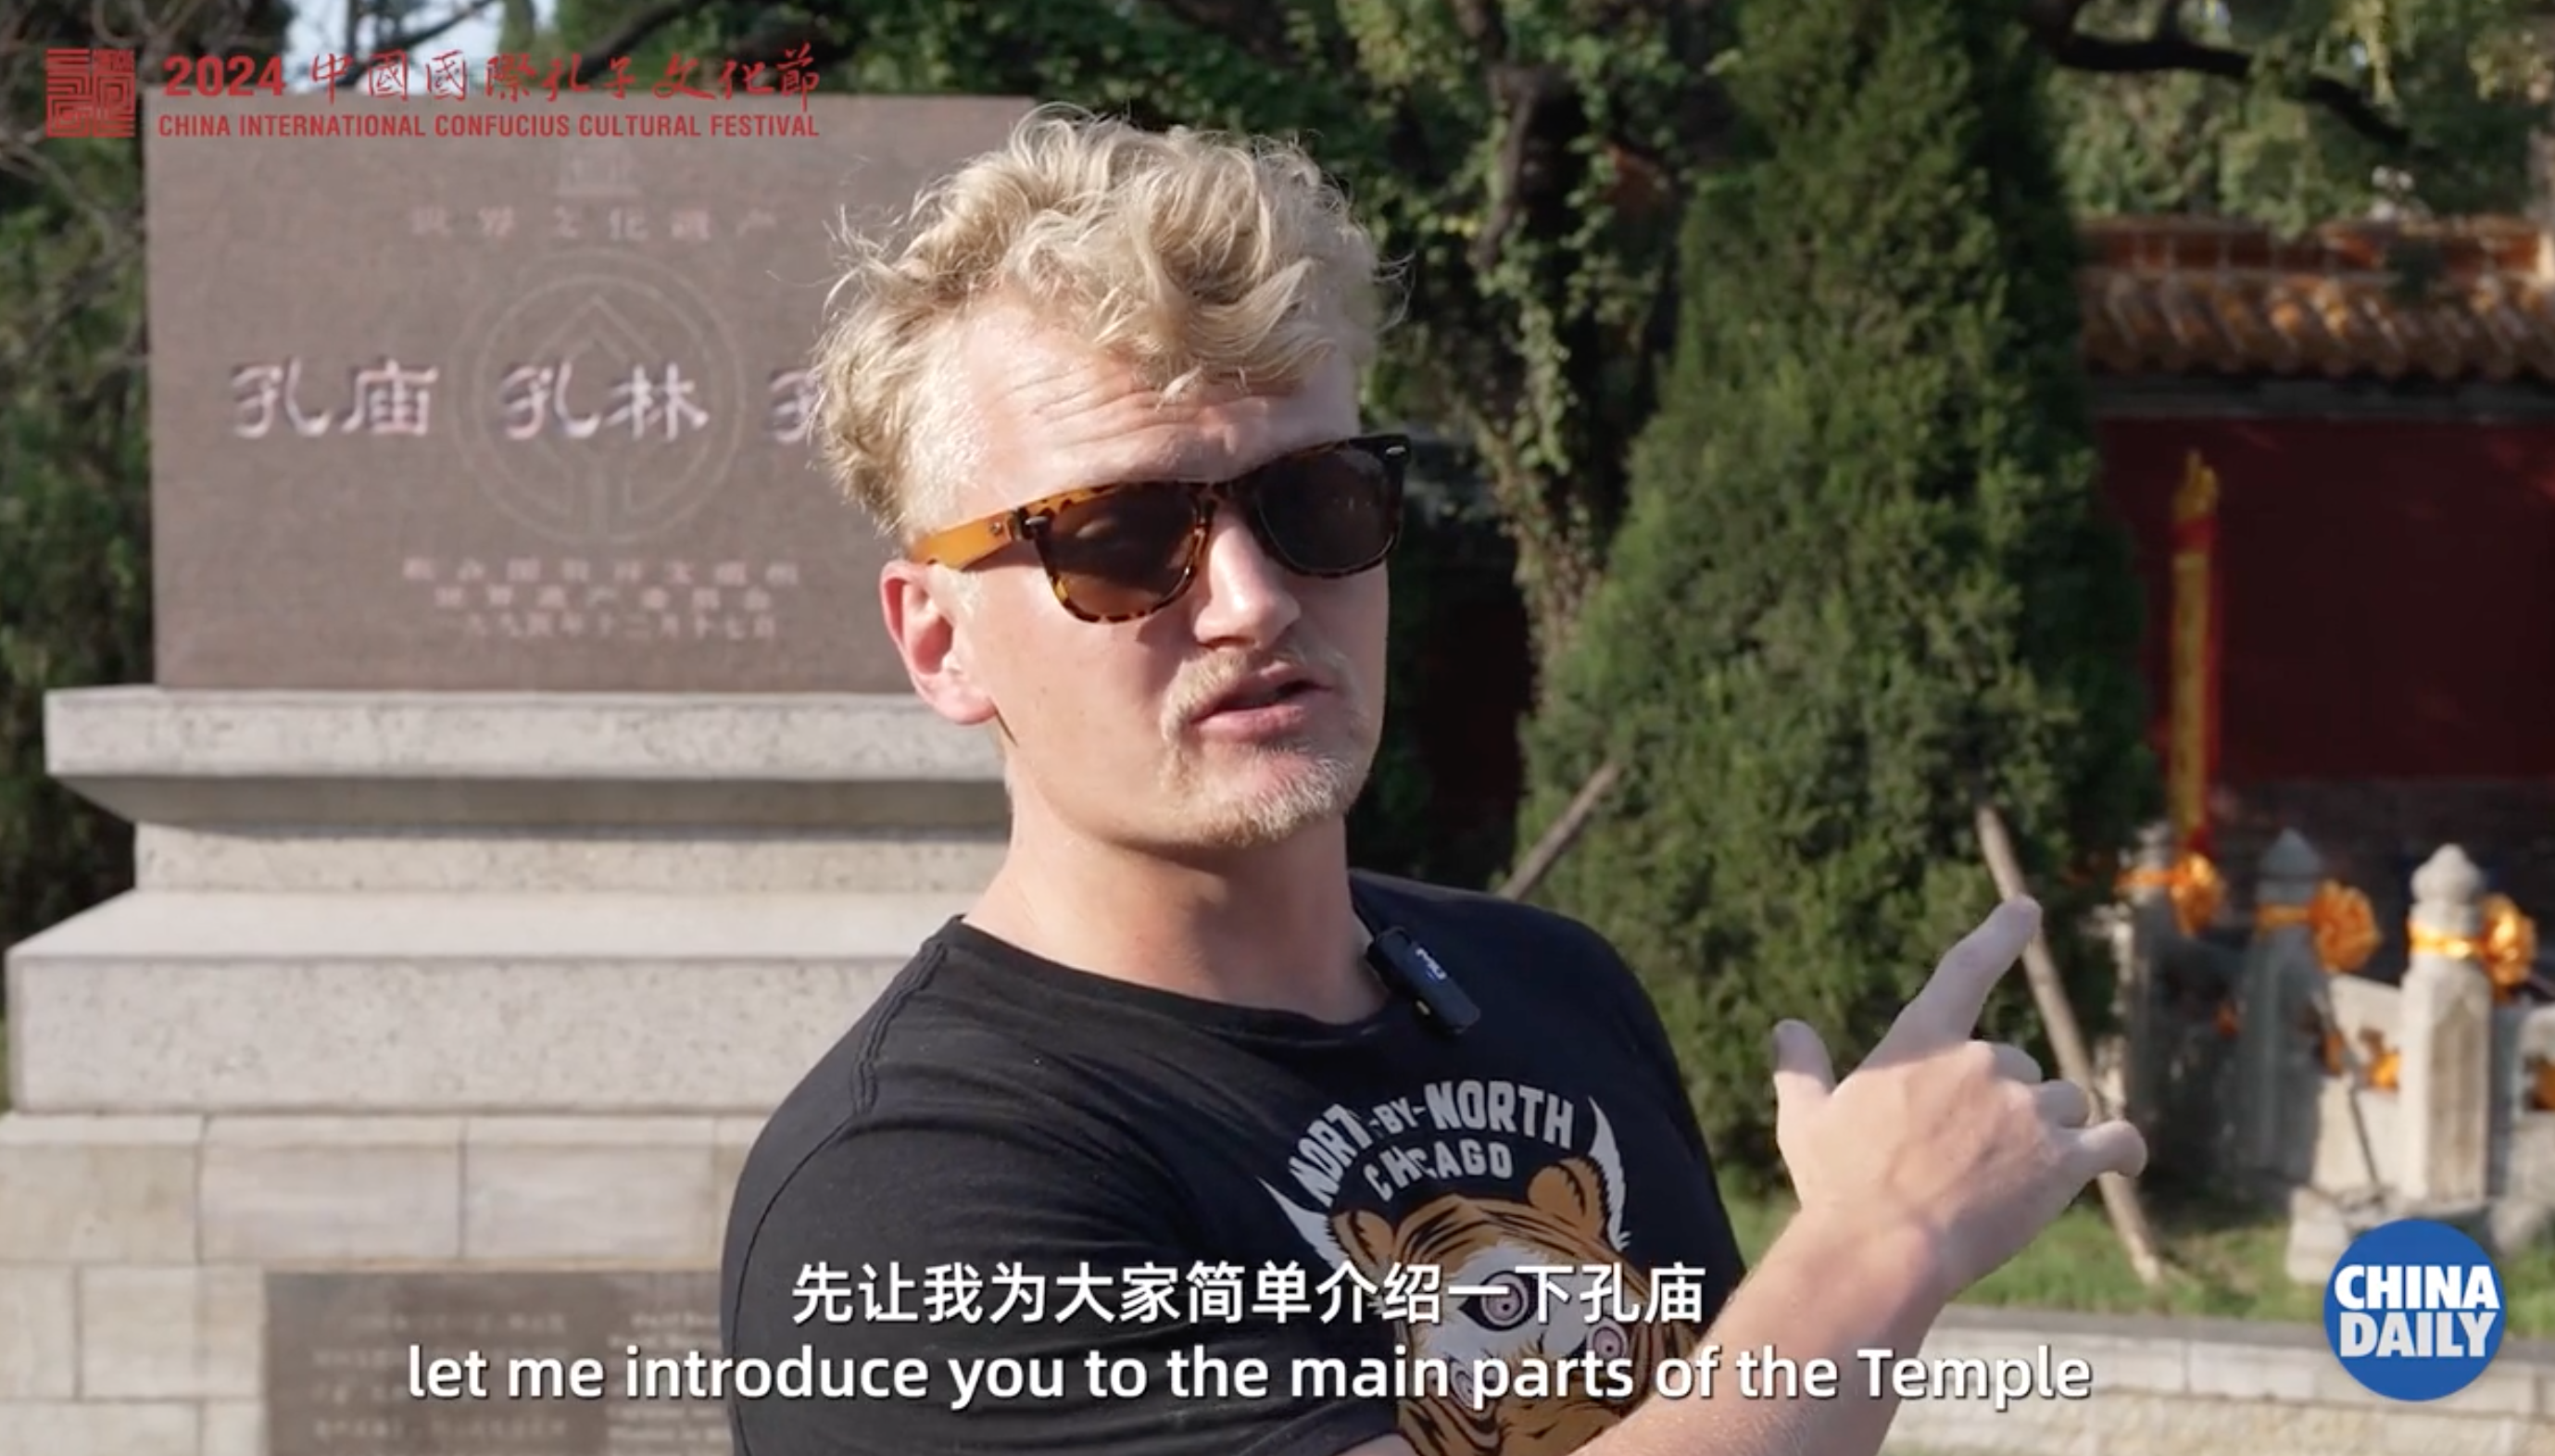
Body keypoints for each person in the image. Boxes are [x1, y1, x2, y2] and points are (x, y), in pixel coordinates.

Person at [721, 105, 2146, 1456]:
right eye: (1116, 536)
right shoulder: (911, 1195)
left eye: (1315, 501)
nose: (1251, 600)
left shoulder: (1550, 988)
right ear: (938, 638)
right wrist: (1872, 1248)